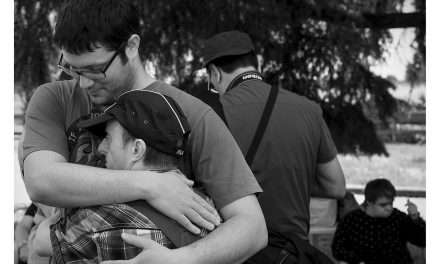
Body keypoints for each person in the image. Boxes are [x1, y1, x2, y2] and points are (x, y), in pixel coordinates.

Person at [21, 1, 267, 263]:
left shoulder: (194, 116)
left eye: (95, 69)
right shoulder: (53, 98)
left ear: (131, 46)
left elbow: (251, 227)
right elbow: (41, 180)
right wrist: (152, 185)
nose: (83, 82)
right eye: (71, 67)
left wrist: (182, 259)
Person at [198, 30, 346, 263]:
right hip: (293, 253)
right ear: (256, 65)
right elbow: (336, 186)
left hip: (238, 253)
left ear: (214, 73)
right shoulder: (310, 110)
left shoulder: (211, 115)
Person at [32, 90, 221, 262]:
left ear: (137, 149)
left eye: (108, 138)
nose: (100, 148)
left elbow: (40, 242)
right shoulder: (206, 208)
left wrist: (56, 210)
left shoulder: (97, 218)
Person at [331, 178, 426, 264]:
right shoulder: (352, 221)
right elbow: (338, 248)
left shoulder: (398, 218)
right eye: (383, 205)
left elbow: (422, 240)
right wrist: (357, 261)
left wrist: (415, 218)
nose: (389, 208)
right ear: (369, 202)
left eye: (391, 203)